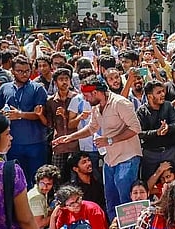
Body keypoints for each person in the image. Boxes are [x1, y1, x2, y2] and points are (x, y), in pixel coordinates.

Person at [53, 75, 143, 220]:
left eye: (87, 95)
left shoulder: (120, 103)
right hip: (110, 159)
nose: (85, 99)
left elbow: (135, 128)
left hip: (127, 157)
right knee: (111, 200)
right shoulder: (96, 107)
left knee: (125, 201)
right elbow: (91, 128)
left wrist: (110, 140)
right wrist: (69, 137)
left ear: (95, 92)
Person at [0, 56, 48, 183]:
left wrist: (20, 115)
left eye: (27, 71)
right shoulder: (4, 88)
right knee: (16, 180)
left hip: (35, 143)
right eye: (20, 71)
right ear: (12, 71)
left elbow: (41, 114)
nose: (24, 74)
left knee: (38, 180)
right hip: (12, 144)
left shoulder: (38, 88)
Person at [137, 79, 175, 183]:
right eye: (159, 92)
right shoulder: (141, 111)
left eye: (163, 91)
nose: (163, 94)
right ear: (150, 96)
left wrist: (168, 128)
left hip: (169, 152)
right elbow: (139, 134)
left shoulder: (168, 106)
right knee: (150, 183)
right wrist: (156, 132)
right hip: (150, 154)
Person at [43, 67, 79, 173]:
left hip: (75, 143)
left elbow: (80, 120)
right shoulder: (50, 101)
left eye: (66, 79)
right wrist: (40, 115)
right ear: (55, 83)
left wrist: (65, 115)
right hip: (59, 143)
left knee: (75, 174)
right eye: (61, 79)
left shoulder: (77, 98)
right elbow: (49, 124)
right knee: (57, 173)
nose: (64, 82)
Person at [28, 164, 61, 229]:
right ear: (37, 182)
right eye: (42, 183)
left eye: (49, 184)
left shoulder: (41, 192)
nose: (45, 187)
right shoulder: (37, 197)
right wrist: (57, 213)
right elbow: (39, 224)